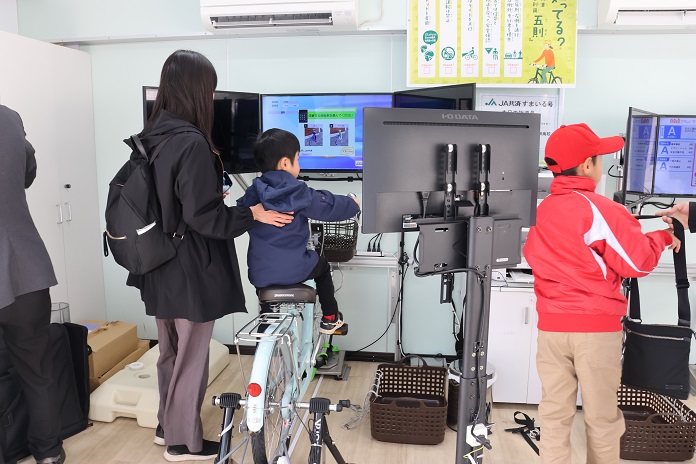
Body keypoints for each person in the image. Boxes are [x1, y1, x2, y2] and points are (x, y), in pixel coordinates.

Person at [126, 50, 293, 462]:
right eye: (211, 90)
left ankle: (167, 427)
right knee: (191, 358)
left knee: (169, 352)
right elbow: (204, 218)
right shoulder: (193, 143)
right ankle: (184, 443)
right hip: (189, 268)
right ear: (199, 91)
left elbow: (168, 202)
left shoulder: (151, 136)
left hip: (156, 264)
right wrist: (250, 213)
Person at [523, 123, 680, 464]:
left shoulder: (543, 208)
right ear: (587, 165)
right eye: (599, 158)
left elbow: (538, 254)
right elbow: (637, 263)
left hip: (551, 329)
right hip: (594, 330)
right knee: (602, 419)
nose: (601, 164)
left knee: (553, 415)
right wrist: (664, 237)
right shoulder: (602, 208)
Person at [237, 128, 360, 334]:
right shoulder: (298, 193)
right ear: (286, 163)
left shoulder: (252, 193)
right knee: (322, 266)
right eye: (298, 159)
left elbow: (240, 211)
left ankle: (266, 325)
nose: (299, 164)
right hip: (295, 269)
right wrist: (352, 204)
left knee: (267, 295)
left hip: (260, 274)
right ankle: (330, 318)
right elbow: (329, 206)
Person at [0, 104, 66, 464]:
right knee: (38, 372)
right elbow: (28, 172)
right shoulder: (8, 117)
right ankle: (49, 453)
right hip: (26, 270)